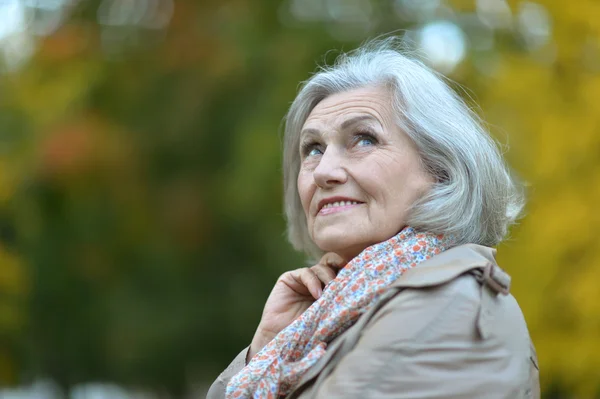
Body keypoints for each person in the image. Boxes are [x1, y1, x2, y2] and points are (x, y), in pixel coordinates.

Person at [207, 37, 540, 399]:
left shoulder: (451, 307)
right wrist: (269, 346)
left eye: (364, 139)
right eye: (313, 148)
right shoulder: (337, 313)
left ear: (440, 171)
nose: (324, 171)